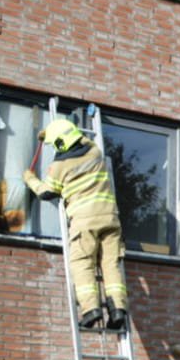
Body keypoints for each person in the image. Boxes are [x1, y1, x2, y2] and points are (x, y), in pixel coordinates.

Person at [23, 118, 127, 331]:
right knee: (110, 264)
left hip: (84, 221)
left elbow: (47, 192)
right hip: (110, 218)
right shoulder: (95, 151)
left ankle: (91, 310)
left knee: (82, 263)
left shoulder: (60, 166)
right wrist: (48, 134)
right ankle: (117, 309)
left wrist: (29, 179)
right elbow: (78, 140)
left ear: (61, 144)